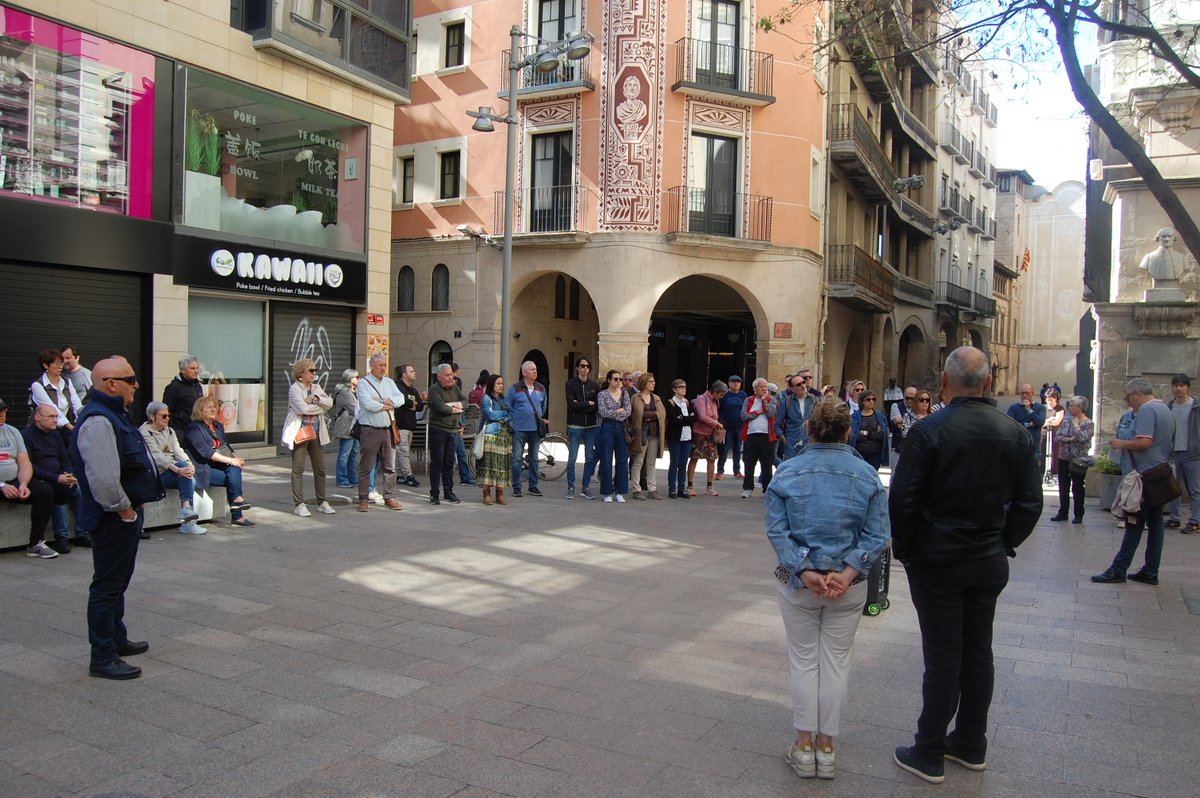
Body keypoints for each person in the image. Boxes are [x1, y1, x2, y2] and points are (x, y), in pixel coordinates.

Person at [889, 347, 1041, 784]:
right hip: (986, 559)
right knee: (978, 652)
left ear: (944, 382)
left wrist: (910, 551)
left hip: (939, 561)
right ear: (989, 383)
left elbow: (903, 501)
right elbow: (1030, 504)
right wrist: (1003, 541)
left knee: (942, 656)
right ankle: (971, 742)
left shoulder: (928, 430)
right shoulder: (1015, 432)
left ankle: (930, 749)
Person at [767, 399, 890, 781]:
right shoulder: (867, 475)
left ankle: (803, 745)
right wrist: (851, 570)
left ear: (808, 429)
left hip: (800, 585)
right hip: (847, 586)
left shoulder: (787, 471)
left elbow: (777, 530)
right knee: (836, 663)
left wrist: (803, 570)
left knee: (803, 661)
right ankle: (827, 747)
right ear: (847, 431)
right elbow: (878, 534)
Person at [75, 358, 165, 680]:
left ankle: (116, 639)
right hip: (114, 517)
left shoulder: (113, 414)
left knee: (117, 583)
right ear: (111, 384)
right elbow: (103, 479)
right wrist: (124, 510)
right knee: (107, 587)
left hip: (123, 515)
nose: (136, 384)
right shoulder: (99, 420)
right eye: (131, 379)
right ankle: (102, 656)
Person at [1093, 378, 1175, 586]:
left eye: (1128, 397)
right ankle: (1150, 570)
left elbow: (1144, 441)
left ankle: (1118, 569)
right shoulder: (1164, 409)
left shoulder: (1147, 410)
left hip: (1144, 475)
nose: (1127, 401)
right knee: (1155, 523)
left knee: (1134, 521)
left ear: (1137, 393)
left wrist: (1122, 443)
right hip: (1158, 472)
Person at [183, 395, 254, 527]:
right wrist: (231, 461)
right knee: (232, 476)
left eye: (214, 406)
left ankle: (237, 503)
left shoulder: (217, 425)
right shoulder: (193, 429)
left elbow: (225, 445)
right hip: (203, 469)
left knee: (234, 469)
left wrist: (236, 458)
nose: (213, 409)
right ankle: (237, 512)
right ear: (200, 410)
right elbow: (207, 453)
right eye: (209, 407)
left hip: (219, 466)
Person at [1, 398, 58, 558]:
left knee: (45, 491)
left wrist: (23, 484)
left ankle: (36, 543)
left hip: (14, 480)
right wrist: (2, 486)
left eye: (4, 411)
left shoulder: (12, 431)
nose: (2, 414)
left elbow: (25, 463)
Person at [139, 402, 204, 535]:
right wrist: (178, 469)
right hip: (156, 474)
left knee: (188, 476)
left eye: (169, 415)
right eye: (163, 416)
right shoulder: (144, 432)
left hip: (172, 470)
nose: (167, 418)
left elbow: (178, 450)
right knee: (187, 476)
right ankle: (187, 517)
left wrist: (188, 464)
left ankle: (187, 512)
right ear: (152, 417)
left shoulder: (170, 430)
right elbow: (157, 457)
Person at [23, 404, 80, 552]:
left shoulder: (55, 435)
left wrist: (69, 473)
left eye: (56, 416)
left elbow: (65, 458)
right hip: (42, 478)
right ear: (37, 417)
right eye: (52, 417)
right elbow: (29, 466)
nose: (56, 420)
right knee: (52, 491)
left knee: (79, 489)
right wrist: (56, 478)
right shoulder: (26, 436)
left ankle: (82, 532)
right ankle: (61, 537)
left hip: (60, 475)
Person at [283, 358, 335, 518]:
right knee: (298, 468)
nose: (315, 374)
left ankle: (322, 501)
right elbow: (301, 408)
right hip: (300, 431)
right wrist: (318, 408)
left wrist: (315, 399)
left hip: (317, 431)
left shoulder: (316, 387)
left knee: (320, 468)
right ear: (301, 373)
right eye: (311, 371)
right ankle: (299, 504)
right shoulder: (294, 389)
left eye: (315, 370)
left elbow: (330, 403)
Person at [355, 354, 404, 512]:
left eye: (384, 365)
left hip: (388, 429)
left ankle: (389, 497)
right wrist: (387, 403)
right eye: (380, 365)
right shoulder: (363, 383)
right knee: (366, 466)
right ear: (372, 366)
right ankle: (363, 499)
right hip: (370, 430)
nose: (383, 368)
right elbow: (368, 404)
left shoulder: (389, 382)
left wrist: (385, 401)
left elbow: (401, 399)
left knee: (390, 467)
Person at [427, 363, 468, 505]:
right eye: (447, 375)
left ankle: (448, 492)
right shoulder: (434, 389)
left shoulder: (455, 388)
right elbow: (440, 407)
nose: (451, 377)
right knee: (437, 463)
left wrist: (455, 405)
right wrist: (455, 408)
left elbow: (466, 402)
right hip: (438, 430)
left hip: (453, 431)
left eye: (451, 374)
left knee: (449, 464)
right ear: (439, 376)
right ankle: (434, 493)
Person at [505, 361, 548, 498]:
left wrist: (538, 416)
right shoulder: (515, 388)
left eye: (536, 369)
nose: (535, 371)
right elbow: (508, 405)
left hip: (535, 429)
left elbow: (543, 406)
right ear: (524, 372)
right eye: (532, 369)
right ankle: (517, 486)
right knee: (517, 458)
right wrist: (513, 420)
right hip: (519, 429)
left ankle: (533, 486)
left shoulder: (541, 388)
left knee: (534, 459)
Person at [1050, 396, 1094, 524]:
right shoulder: (1067, 421)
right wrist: (1069, 439)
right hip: (1064, 457)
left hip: (1079, 459)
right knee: (1063, 485)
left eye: (1072, 405)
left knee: (1078, 486)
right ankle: (1063, 512)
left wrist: (1076, 427)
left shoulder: (1088, 423)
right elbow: (1057, 437)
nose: (1069, 408)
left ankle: (1078, 514)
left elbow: (1083, 438)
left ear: (1080, 408)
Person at [29, 348, 83, 448]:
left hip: (66, 428)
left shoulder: (67, 382)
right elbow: (52, 407)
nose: (60, 367)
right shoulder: (38, 385)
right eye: (57, 364)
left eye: (61, 364)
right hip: (48, 429)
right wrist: (68, 425)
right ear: (46, 365)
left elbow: (76, 403)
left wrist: (80, 420)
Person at [1167, 373, 1200, 532]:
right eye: (1176, 385)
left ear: (1187, 387)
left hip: (1193, 453)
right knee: (1173, 487)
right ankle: (1174, 518)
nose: (1179, 388)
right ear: (1172, 388)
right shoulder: (1169, 407)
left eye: (1182, 385)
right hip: (1174, 453)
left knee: (1194, 488)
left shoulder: (1196, 406)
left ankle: (1195, 521)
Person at [565, 357, 600, 500]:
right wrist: (588, 404)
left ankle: (585, 487)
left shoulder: (594, 385)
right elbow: (571, 405)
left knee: (589, 458)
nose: (585, 368)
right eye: (582, 366)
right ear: (577, 368)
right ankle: (570, 487)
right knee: (572, 458)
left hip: (590, 426)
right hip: (575, 425)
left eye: (587, 366)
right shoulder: (570, 384)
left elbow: (597, 406)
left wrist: (582, 405)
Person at [628, 372, 666, 500]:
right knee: (638, 461)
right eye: (651, 381)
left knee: (651, 463)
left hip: (654, 433)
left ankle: (652, 489)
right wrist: (652, 415)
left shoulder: (656, 398)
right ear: (644, 383)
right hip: (640, 434)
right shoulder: (636, 398)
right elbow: (633, 416)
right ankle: (636, 489)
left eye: (654, 381)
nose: (654, 383)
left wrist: (648, 415)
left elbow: (661, 414)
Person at [596, 369, 632, 502]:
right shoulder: (602, 395)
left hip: (621, 427)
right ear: (609, 380)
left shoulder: (625, 394)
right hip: (607, 427)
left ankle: (620, 491)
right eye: (615, 379)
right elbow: (603, 412)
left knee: (622, 459)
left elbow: (628, 411)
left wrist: (616, 413)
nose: (618, 382)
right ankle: (606, 492)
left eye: (620, 379)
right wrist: (618, 411)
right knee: (606, 459)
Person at [686, 380, 727, 497]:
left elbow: (716, 416)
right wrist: (716, 423)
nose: (722, 397)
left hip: (710, 434)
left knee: (712, 459)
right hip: (699, 433)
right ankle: (690, 486)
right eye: (721, 394)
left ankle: (709, 486)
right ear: (715, 391)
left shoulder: (715, 401)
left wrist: (716, 424)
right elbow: (702, 416)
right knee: (694, 458)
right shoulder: (702, 399)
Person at [740, 378, 778, 498]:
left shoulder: (771, 399)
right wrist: (757, 412)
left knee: (767, 465)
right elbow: (744, 416)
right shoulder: (748, 400)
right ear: (755, 388)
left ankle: (766, 489)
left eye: (765, 386)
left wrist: (763, 401)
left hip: (767, 437)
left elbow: (770, 413)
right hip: (751, 436)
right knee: (749, 464)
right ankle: (747, 488)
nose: (764, 389)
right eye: (761, 386)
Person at [478, 373, 512, 505]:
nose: (500, 386)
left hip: (504, 435)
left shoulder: (504, 400)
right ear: (492, 384)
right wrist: (503, 414)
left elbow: (512, 414)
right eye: (498, 383)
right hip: (491, 434)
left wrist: (501, 415)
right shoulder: (486, 398)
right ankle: (486, 494)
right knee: (489, 465)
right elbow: (488, 414)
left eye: (502, 383)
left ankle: (500, 493)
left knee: (502, 465)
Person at [394, 364, 426, 488]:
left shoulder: (413, 389)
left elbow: (420, 406)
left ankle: (399, 475)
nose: (414, 373)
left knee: (403, 451)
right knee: (403, 452)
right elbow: (402, 401)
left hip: (410, 425)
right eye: (411, 371)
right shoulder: (398, 387)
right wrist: (412, 404)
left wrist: (413, 404)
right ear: (404, 374)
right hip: (401, 424)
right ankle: (408, 475)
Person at [664, 379, 695, 499]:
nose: (683, 389)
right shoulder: (671, 402)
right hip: (675, 437)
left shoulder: (687, 402)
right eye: (680, 387)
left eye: (685, 387)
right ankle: (672, 489)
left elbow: (694, 418)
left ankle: (682, 488)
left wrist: (683, 418)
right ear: (674, 389)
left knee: (683, 464)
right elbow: (674, 420)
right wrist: (686, 419)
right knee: (674, 463)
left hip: (687, 437)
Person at [330, 369, 360, 488]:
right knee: (344, 454)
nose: (358, 379)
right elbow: (355, 409)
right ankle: (342, 479)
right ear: (349, 378)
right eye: (356, 377)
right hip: (346, 427)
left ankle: (352, 478)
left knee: (354, 454)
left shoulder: (355, 391)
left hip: (354, 427)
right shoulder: (345, 393)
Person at [163, 355, 204, 439]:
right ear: (183, 370)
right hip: (180, 430)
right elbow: (166, 410)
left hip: (197, 428)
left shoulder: (198, 386)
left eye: (197, 368)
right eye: (192, 368)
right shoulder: (173, 387)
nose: (196, 371)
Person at [776, 374, 815, 461]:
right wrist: (783, 439)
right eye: (798, 384)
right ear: (792, 388)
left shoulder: (814, 400)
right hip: (792, 445)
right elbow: (777, 424)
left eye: (803, 382)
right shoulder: (787, 402)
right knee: (792, 471)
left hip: (810, 444)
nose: (802, 386)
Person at [850, 390, 890, 470]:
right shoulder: (854, 417)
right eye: (868, 399)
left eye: (873, 399)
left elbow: (882, 435)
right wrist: (873, 434)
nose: (871, 401)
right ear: (862, 402)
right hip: (860, 454)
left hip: (876, 455)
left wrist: (865, 433)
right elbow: (854, 435)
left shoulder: (880, 417)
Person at [717, 375, 747, 480]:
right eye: (733, 382)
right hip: (727, 427)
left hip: (739, 426)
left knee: (737, 449)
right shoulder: (724, 395)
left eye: (738, 382)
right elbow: (718, 408)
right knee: (724, 449)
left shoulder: (743, 395)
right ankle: (720, 471)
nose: (736, 384)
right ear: (729, 383)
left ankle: (737, 471)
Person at [1041, 391, 1064, 485]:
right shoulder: (1043, 408)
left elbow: (1056, 422)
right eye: (1047, 398)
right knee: (1042, 453)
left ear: (1055, 398)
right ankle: (1042, 473)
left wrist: (1046, 422)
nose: (1048, 401)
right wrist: (1048, 421)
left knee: (1054, 455)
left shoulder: (1059, 409)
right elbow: (1039, 421)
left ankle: (1053, 474)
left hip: (1055, 434)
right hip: (1043, 434)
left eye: (1050, 399)